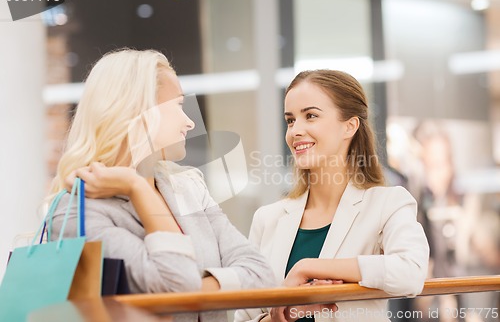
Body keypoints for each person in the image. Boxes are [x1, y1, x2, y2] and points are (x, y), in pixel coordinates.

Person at [48, 48, 276, 322]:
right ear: (139, 111)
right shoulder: (78, 212)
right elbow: (176, 284)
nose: (190, 121)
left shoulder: (188, 186)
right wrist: (138, 188)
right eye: (179, 105)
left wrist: (197, 289)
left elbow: (260, 273)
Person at [234, 70, 430, 322]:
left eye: (311, 116)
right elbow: (244, 317)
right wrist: (277, 317)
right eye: (291, 120)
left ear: (349, 126)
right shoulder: (267, 219)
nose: (295, 131)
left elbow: (411, 271)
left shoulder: (387, 203)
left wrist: (309, 267)